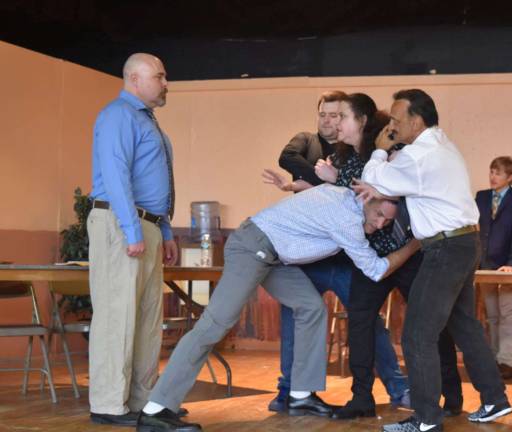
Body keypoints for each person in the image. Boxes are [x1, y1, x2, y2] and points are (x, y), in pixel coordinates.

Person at [135, 184, 421, 431]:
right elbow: (375, 269)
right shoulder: (347, 218)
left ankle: (300, 395)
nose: (382, 223)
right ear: (366, 199)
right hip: (253, 248)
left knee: (311, 307)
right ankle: (156, 409)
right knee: (215, 324)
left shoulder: (344, 195)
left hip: (274, 256)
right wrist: (414, 245)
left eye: (388, 219)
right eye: (379, 214)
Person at [354, 89, 512, 431]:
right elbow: (396, 183)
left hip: (445, 249)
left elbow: (374, 180)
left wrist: (380, 150)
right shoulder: (441, 144)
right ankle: (495, 400)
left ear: (416, 120)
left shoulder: (418, 156)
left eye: (396, 120)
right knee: (465, 326)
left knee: (416, 335)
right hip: (465, 243)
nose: (392, 127)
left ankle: (425, 419)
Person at [263, 92, 411, 412]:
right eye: (326, 115)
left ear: (357, 120)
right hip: (312, 256)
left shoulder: (368, 151)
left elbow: (364, 194)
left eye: (338, 115)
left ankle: (398, 387)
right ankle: (288, 389)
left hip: (350, 257)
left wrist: (327, 179)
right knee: (295, 315)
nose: (331, 121)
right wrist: (310, 182)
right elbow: (288, 159)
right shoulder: (309, 143)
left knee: (367, 321)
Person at [87, 53, 179, 427]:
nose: (165, 82)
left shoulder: (148, 122)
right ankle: (108, 404)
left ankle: (142, 400)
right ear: (134, 78)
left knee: (145, 318)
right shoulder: (117, 115)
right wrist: (131, 229)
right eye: (159, 76)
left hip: (150, 225)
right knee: (116, 315)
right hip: (123, 223)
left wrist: (166, 231)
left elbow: (158, 183)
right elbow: (115, 173)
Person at [475, 156, 512, 379]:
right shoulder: (481, 197)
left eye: (498, 173)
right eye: (491, 171)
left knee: (508, 312)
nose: (492, 177)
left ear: (510, 177)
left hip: (510, 265)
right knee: (492, 314)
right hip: (485, 264)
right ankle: (495, 357)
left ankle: (507, 360)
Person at [276, 90, 347, 192]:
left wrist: (307, 184)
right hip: (304, 206)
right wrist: (323, 178)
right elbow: (287, 157)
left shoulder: (352, 148)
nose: (326, 120)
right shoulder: (305, 138)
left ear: (344, 117)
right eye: (322, 115)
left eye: (333, 115)